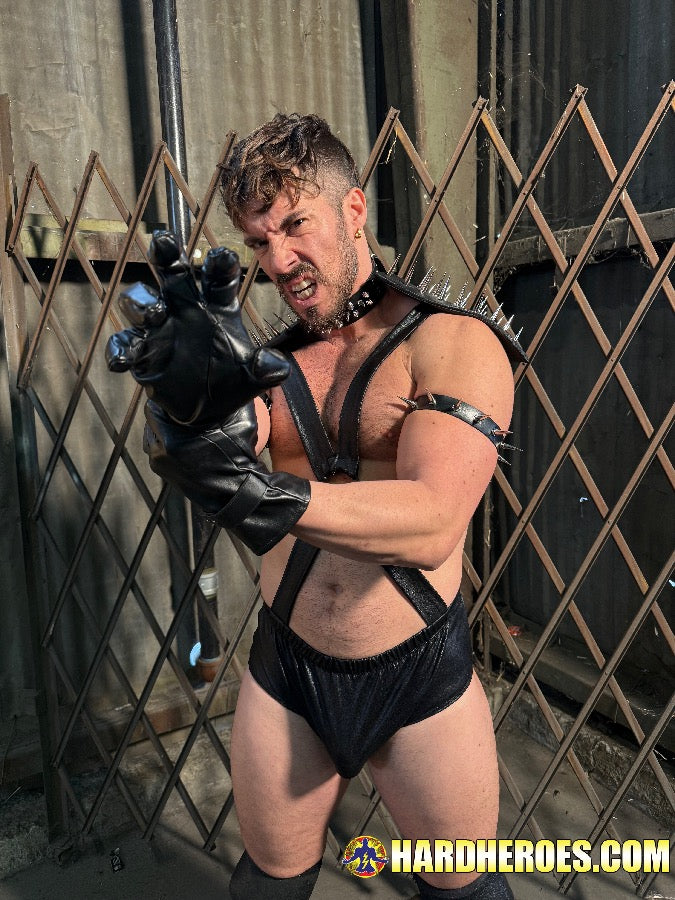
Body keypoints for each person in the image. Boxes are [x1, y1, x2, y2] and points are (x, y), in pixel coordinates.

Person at [107, 113, 526, 900]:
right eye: (258, 241)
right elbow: (226, 441)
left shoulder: (450, 343)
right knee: (267, 884)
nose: (278, 261)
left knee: (462, 892)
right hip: (288, 671)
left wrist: (260, 492)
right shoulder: (268, 365)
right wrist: (188, 414)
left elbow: (433, 521)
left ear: (353, 209)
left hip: (416, 675)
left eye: (294, 224)